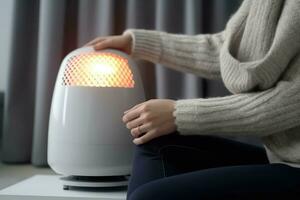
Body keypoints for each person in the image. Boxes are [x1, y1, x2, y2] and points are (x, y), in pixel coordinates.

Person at [85, 0, 300, 199]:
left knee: (147, 197)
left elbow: (287, 104)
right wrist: (137, 44)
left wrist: (178, 114)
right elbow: (230, 51)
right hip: (280, 157)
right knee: (153, 143)